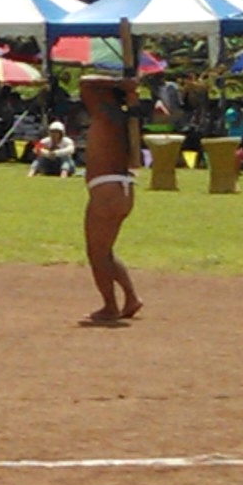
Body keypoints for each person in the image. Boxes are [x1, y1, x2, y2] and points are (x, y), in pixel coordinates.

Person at [79, 72, 145, 322]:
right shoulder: (125, 117)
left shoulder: (105, 114)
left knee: (96, 253)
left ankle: (110, 305)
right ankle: (130, 297)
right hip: (123, 188)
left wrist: (119, 84)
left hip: (106, 189)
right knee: (105, 251)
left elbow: (85, 81)